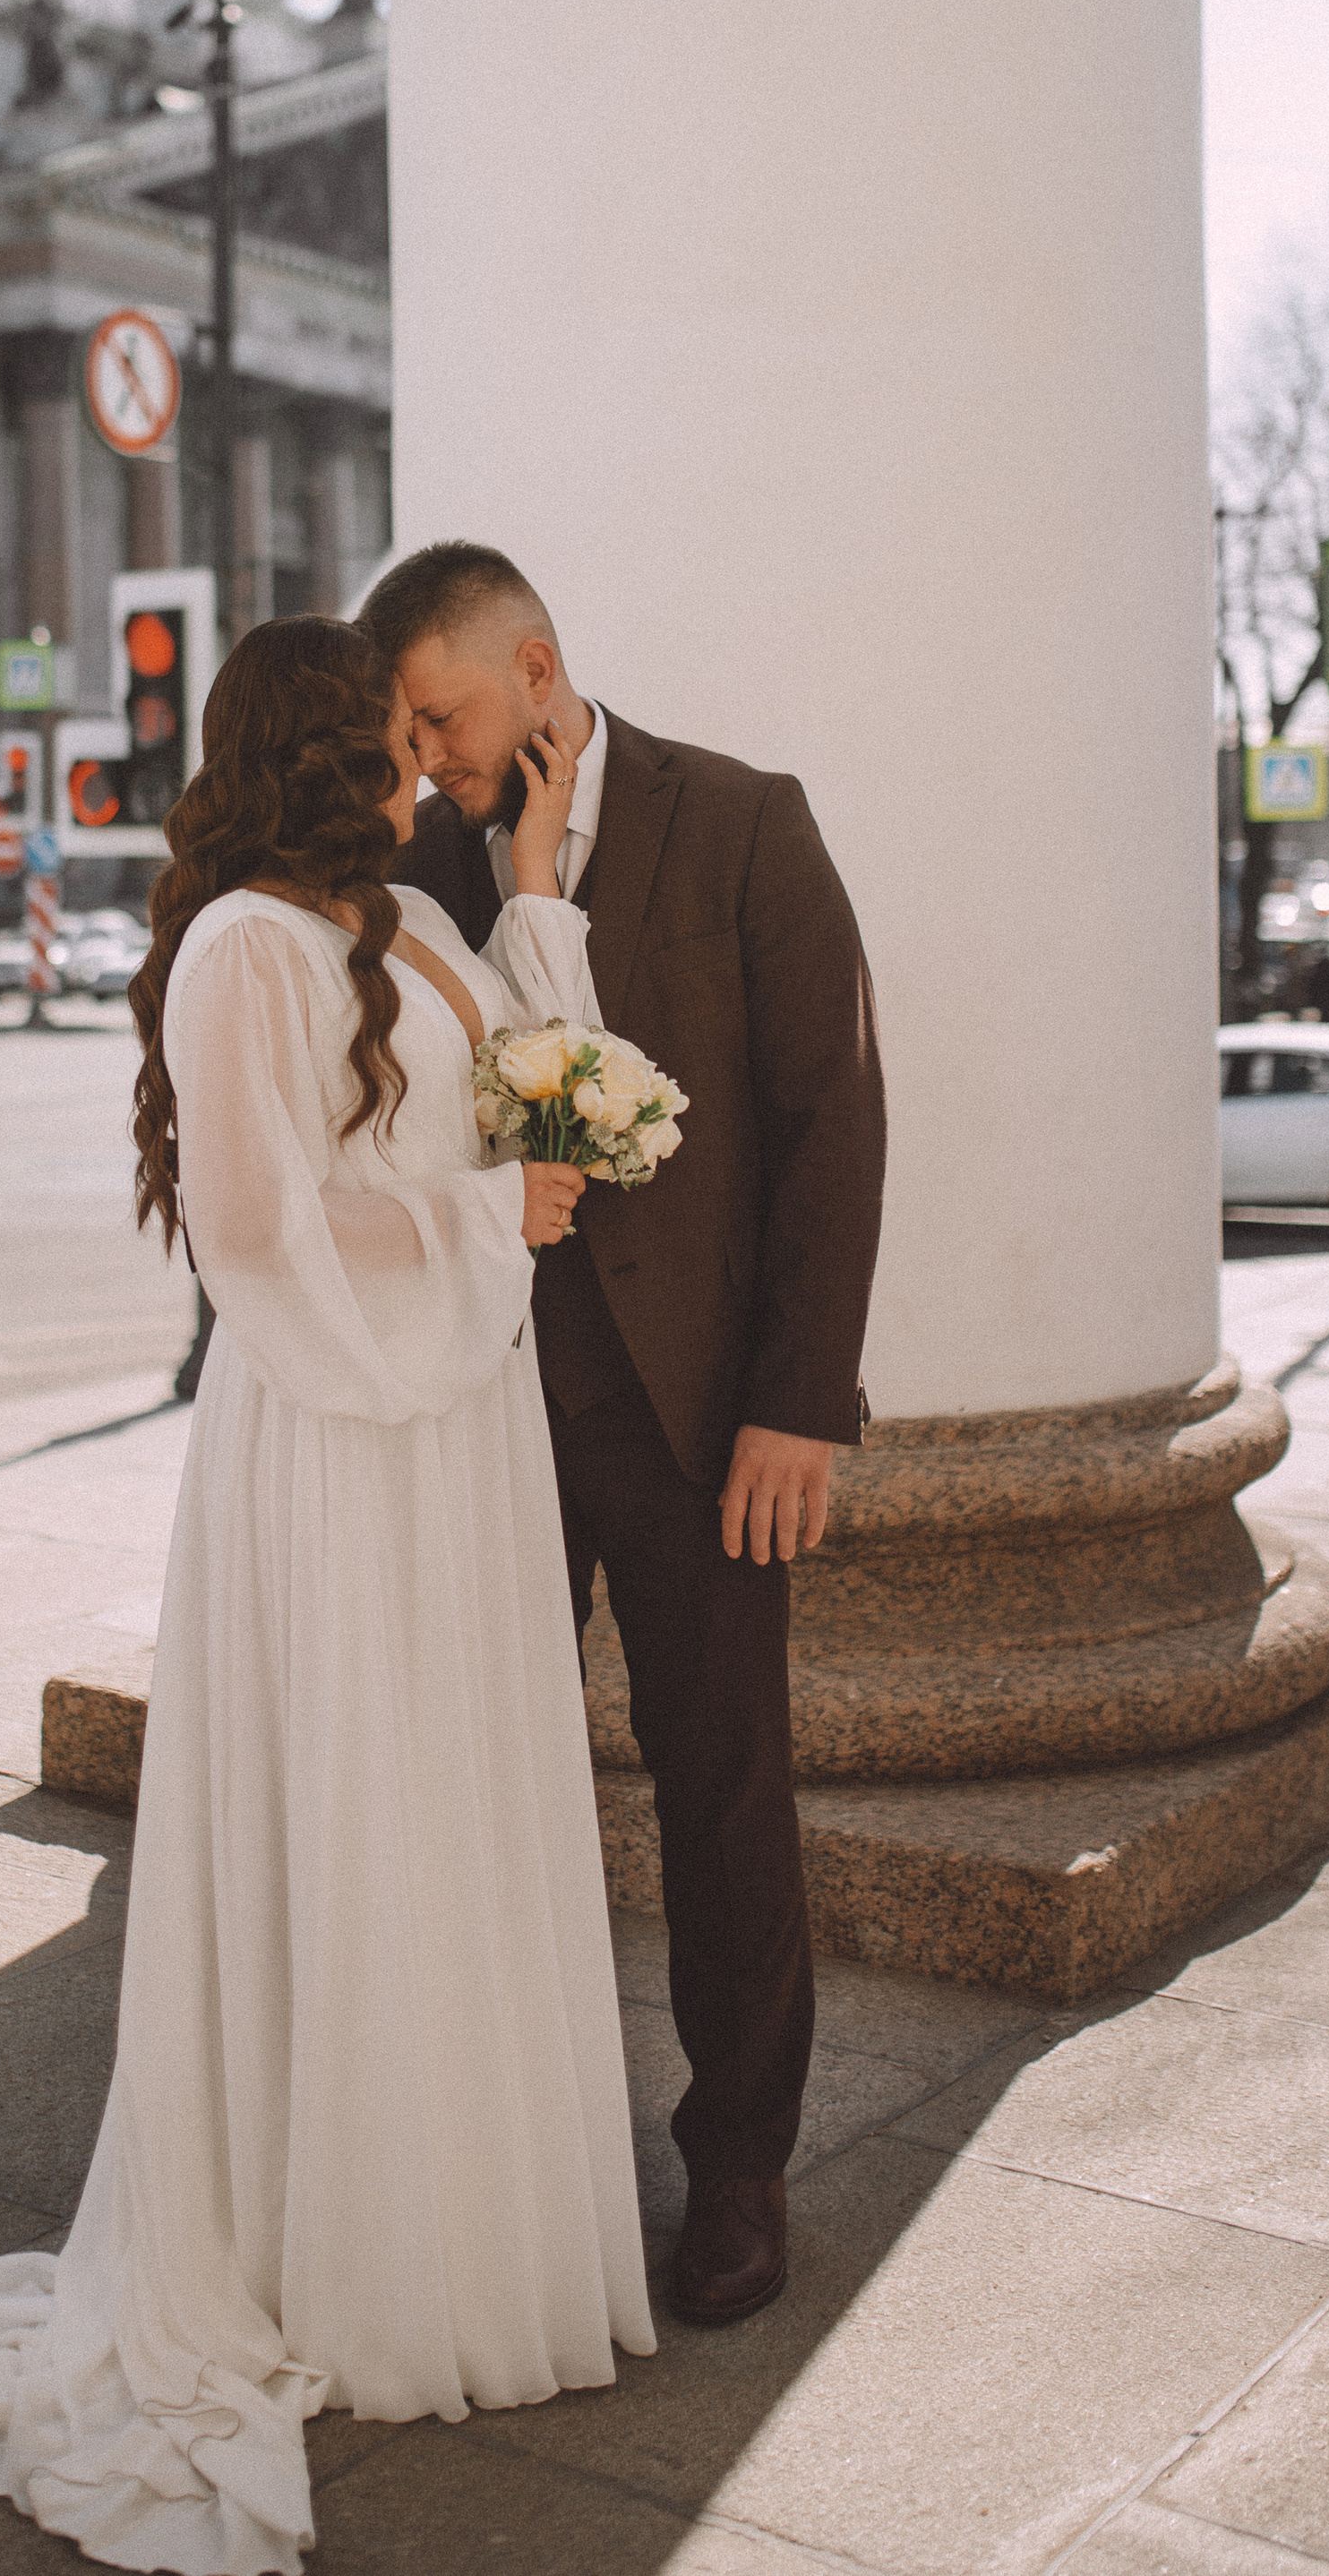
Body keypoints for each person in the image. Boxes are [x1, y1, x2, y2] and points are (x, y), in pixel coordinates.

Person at [0, 616, 653, 2572]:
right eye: (384, 737)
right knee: (346, 1806)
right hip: (340, 1437)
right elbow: (252, 1220)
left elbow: (535, 1076)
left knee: (450, 1812)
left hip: (456, 1425)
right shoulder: (243, 946)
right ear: (305, 749)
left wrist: (530, 900)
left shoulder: (414, 922)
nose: (412, 764)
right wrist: (479, 1212)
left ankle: (451, 2222)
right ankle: (317, 2244)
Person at [361, 543, 884, 2331]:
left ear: (532, 666)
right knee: (472, 1788)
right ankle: (493, 2165)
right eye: (407, 730)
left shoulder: (744, 824)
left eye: (439, 713)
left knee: (724, 1795)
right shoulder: (416, 868)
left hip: (694, 1427)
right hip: (477, 1410)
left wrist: (796, 1407)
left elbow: (831, 1122)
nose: (423, 754)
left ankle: (734, 2168)